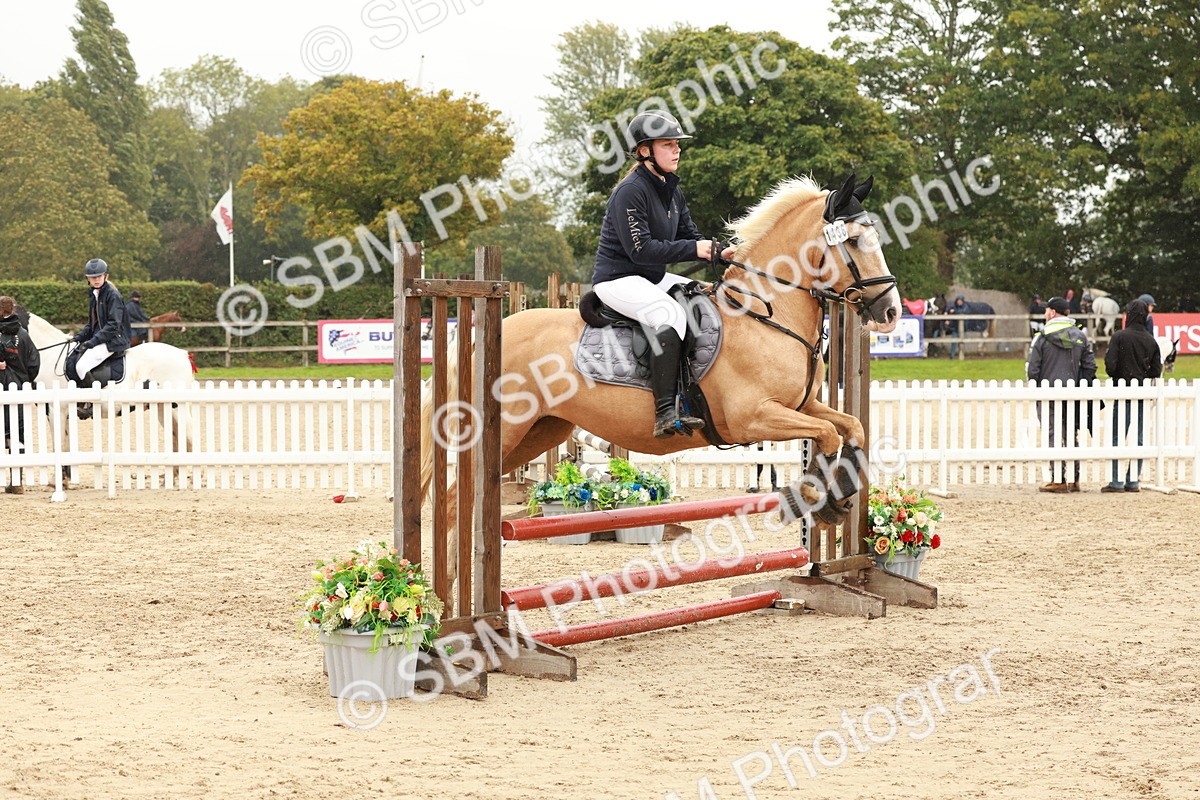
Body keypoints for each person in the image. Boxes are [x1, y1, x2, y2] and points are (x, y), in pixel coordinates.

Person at [591, 109, 735, 438]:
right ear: (645, 151)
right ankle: (666, 412)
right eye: (668, 144)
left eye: (677, 144)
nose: (677, 150)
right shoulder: (630, 191)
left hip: (650, 277)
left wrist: (720, 251)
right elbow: (640, 250)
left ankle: (693, 388)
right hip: (618, 279)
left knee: (708, 299)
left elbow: (690, 235)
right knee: (669, 315)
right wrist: (693, 249)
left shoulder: (670, 188)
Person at [1027, 296, 1097, 493]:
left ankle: (1058, 478)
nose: (1044, 313)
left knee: (1053, 433)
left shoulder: (1042, 337)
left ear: (1052, 313)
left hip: (1048, 392)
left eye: (1046, 310)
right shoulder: (1080, 336)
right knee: (1070, 433)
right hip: (1072, 391)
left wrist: (1036, 384)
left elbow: (1033, 369)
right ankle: (1074, 479)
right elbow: (1091, 366)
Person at [1102, 299, 1162, 493]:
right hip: (1142, 396)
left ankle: (1117, 480)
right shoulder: (1151, 340)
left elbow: (1110, 367)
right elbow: (1156, 370)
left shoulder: (1119, 337)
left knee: (1117, 436)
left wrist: (1121, 372)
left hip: (1122, 392)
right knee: (1138, 438)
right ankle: (1133, 479)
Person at [66, 258, 131, 393]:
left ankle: (91, 401)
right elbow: (92, 324)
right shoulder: (95, 294)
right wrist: (78, 337)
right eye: (92, 277)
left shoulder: (112, 295)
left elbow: (113, 325)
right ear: (87, 278)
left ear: (105, 276)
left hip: (114, 340)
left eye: (99, 276)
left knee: (81, 367)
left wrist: (93, 341)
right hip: (103, 338)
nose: (96, 280)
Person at [0, 295, 40, 494]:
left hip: (2, 388)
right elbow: (34, 363)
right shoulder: (23, 334)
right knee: (18, 434)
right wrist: (23, 380)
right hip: (20, 390)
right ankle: (17, 481)